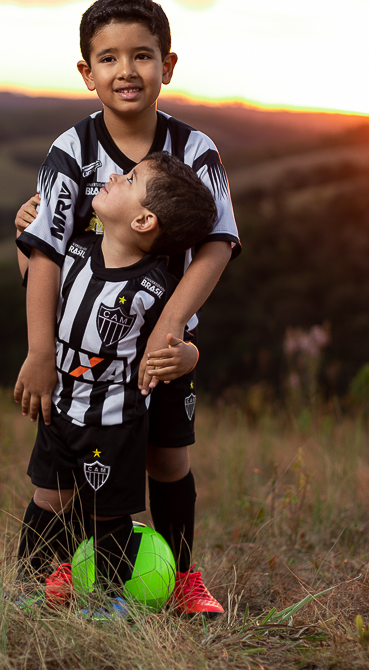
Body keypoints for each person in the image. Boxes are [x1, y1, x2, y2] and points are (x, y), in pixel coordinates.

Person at [14, 0, 240, 615]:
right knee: (64, 471)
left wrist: (170, 335)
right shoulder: (73, 151)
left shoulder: (194, 150)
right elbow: (43, 255)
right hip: (82, 356)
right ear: (87, 73)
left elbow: (218, 245)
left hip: (161, 345)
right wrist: (39, 353)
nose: (126, 70)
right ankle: (55, 576)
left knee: (167, 457)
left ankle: (182, 576)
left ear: (167, 65)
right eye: (108, 57)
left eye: (141, 55)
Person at [14, 151, 217, 613]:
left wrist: (189, 355)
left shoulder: (155, 288)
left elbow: (178, 341)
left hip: (115, 422)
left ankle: (108, 600)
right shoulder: (77, 250)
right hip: (61, 408)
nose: (111, 176)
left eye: (128, 178)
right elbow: (33, 278)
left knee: (110, 515)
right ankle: (25, 586)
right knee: (48, 498)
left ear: (144, 220)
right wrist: (21, 235)